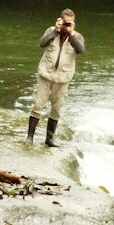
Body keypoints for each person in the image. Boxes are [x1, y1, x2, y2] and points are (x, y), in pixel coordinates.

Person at [27, 8, 85, 146]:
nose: (66, 25)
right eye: (64, 22)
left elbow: (81, 50)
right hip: (45, 75)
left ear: (74, 23)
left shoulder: (77, 36)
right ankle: (30, 137)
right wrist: (55, 31)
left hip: (63, 78)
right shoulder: (51, 31)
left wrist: (70, 34)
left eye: (69, 23)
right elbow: (42, 43)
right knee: (37, 105)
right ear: (59, 20)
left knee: (57, 108)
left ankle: (49, 138)